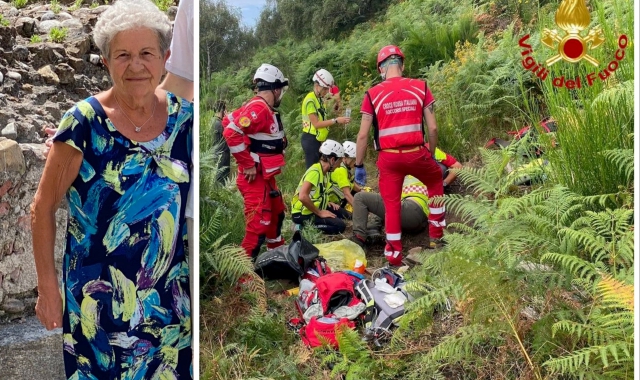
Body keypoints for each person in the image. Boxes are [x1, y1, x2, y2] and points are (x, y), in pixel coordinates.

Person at [30, 1, 192, 378]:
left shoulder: (185, 121)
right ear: (105, 61)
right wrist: (47, 289)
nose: (136, 65)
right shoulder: (83, 123)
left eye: (146, 53)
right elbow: (43, 206)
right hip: (95, 308)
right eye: (123, 55)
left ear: (166, 58)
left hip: (166, 305)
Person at [355, 45, 446, 266]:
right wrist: (431, 155)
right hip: (417, 153)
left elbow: (363, 135)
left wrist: (358, 165)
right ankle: (437, 239)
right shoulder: (421, 87)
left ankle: (393, 256)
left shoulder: (372, 95)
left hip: (389, 158)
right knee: (435, 181)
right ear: (402, 66)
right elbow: (432, 129)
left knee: (392, 204)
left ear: (381, 70)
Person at [222, 63, 289, 258]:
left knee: (277, 212)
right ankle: (244, 275)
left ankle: (275, 254)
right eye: (280, 90)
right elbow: (231, 132)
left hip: (265, 175)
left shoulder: (257, 107)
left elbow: (229, 121)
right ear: (275, 89)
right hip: (255, 177)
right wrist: (247, 163)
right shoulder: (259, 108)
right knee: (258, 225)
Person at [351, 175, 429, 248]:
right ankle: (373, 229)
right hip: (420, 220)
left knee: (360, 197)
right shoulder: (424, 176)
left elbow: (383, 198)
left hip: (410, 210)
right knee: (387, 206)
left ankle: (358, 240)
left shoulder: (401, 175)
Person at [291, 139, 350, 234]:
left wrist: (327, 202)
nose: (339, 166)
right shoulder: (315, 172)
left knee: (345, 214)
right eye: (339, 161)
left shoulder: (325, 172)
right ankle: (300, 227)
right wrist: (319, 212)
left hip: (313, 208)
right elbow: (302, 196)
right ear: (332, 160)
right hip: (302, 213)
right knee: (339, 226)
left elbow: (318, 193)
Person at [301, 69, 350, 168]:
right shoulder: (310, 100)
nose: (327, 92)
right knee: (312, 172)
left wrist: (337, 104)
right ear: (317, 85)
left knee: (322, 169)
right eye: (325, 89)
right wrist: (335, 120)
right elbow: (317, 124)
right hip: (311, 139)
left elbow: (328, 112)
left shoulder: (319, 99)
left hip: (319, 139)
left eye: (328, 89)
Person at [328, 141, 361, 212]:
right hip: (333, 204)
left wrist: (361, 190)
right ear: (344, 158)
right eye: (353, 159)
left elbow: (351, 183)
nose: (355, 162)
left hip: (340, 200)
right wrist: (360, 210)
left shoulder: (345, 168)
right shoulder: (341, 170)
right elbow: (347, 194)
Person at [212, 100, 231, 184]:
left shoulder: (212, 121)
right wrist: (228, 119)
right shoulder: (219, 124)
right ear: (223, 110)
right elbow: (231, 135)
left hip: (216, 153)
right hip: (222, 154)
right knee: (222, 179)